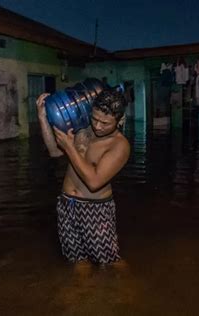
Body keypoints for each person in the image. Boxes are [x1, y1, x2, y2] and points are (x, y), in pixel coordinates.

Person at [36, 88, 130, 264]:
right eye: (94, 118)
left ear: (120, 120)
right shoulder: (83, 129)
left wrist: (70, 147)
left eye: (105, 123)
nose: (97, 126)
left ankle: (126, 290)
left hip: (95, 210)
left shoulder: (119, 146)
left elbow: (94, 182)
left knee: (109, 263)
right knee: (76, 262)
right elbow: (54, 151)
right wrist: (42, 118)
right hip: (67, 205)